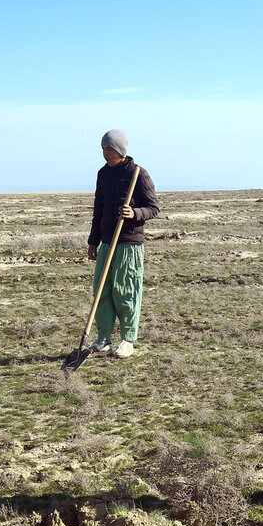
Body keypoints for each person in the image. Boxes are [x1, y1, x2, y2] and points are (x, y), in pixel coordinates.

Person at [86, 129, 159, 359]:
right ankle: (103, 339)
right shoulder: (103, 174)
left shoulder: (138, 173)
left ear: (119, 150)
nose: (105, 154)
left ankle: (128, 339)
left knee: (126, 290)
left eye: (108, 149)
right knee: (102, 290)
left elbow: (153, 208)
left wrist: (134, 213)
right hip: (107, 241)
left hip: (128, 243)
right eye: (103, 150)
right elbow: (98, 210)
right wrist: (93, 241)